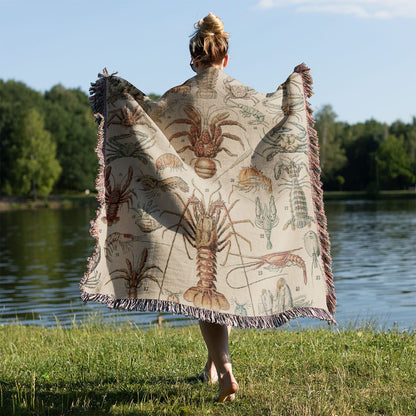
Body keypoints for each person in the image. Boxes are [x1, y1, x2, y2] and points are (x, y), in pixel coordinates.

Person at [82, 11, 336, 406]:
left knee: (205, 293)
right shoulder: (243, 96)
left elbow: (145, 122)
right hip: (231, 210)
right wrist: (293, 89)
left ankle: (226, 372)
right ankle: (213, 366)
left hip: (187, 208)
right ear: (226, 58)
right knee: (211, 288)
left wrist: (118, 93)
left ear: (193, 59)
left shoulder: (175, 97)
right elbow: (271, 115)